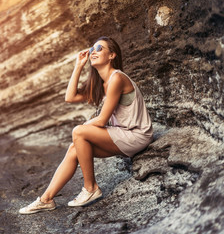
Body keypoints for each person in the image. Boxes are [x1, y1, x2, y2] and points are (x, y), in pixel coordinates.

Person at [19, 36, 153, 214]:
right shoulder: (100, 83)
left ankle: (90, 189)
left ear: (112, 55)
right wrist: (78, 65)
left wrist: (81, 130)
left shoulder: (117, 78)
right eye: (92, 50)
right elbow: (70, 97)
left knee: (79, 133)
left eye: (99, 48)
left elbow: (101, 120)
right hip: (120, 135)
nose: (93, 52)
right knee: (75, 148)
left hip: (137, 136)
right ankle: (46, 199)